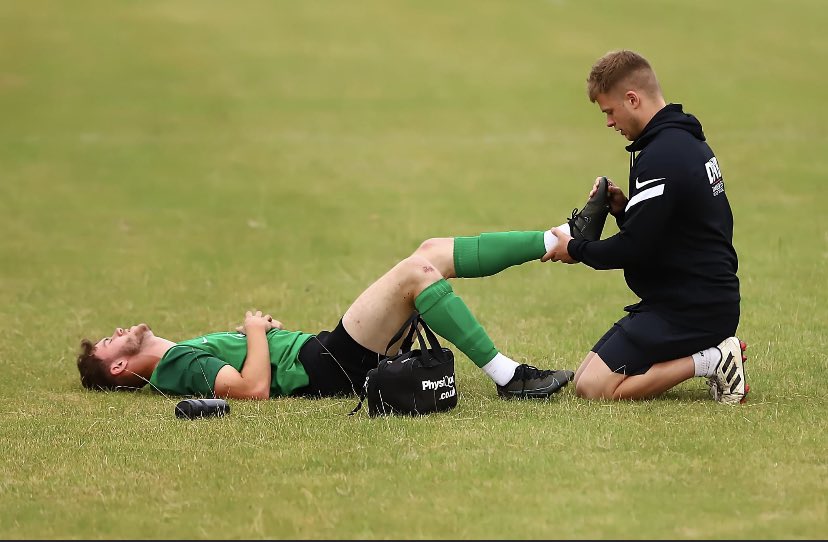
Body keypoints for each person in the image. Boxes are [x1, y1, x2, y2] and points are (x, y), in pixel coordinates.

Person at [77, 227, 587, 401]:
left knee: (429, 250)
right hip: (329, 365)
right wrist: (256, 331)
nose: (118, 332)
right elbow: (250, 389)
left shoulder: (177, 356)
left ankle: (558, 236)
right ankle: (509, 377)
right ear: (120, 367)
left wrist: (258, 337)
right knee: (417, 272)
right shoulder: (174, 366)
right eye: (109, 342)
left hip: (327, 355)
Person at [544, 49, 748, 404]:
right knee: (586, 373)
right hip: (686, 298)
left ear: (633, 99)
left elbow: (634, 247)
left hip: (693, 309)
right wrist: (624, 208)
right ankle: (710, 353)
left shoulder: (663, 155)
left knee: (594, 388)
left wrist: (574, 248)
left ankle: (713, 359)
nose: (608, 122)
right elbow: (666, 228)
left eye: (609, 111)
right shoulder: (680, 141)